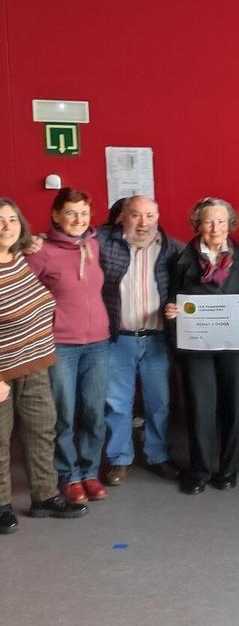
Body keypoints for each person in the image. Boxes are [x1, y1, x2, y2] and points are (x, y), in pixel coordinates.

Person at [164, 198, 239, 494]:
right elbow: (171, 299)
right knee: (200, 407)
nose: (215, 228)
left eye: (221, 221)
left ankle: (228, 469)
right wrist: (171, 312)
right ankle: (200, 470)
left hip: (237, 344)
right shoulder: (180, 260)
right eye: (208, 221)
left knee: (235, 406)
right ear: (198, 225)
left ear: (230, 224)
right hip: (197, 346)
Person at [0, 198, 87, 532]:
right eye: (0, 221)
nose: (7, 226)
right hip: (3, 372)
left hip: (35, 362)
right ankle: (1, 505)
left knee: (41, 431)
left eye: (12, 219)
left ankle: (45, 496)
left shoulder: (21, 257)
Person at [25, 189, 111, 505]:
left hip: (98, 343)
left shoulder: (94, 245)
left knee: (94, 412)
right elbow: (21, 290)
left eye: (84, 213)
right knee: (64, 415)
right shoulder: (41, 250)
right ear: (56, 215)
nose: (79, 219)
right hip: (61, 345)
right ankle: (69, 476)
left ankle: (89, 472)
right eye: (72, 213)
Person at [96, 195, 186, 486]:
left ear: (158, 217)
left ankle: (158, 455)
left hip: (157, 338)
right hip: (117, 338)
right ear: (122, 217)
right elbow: (69, 239)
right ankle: (120, 459)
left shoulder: (174, 249)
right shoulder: (101, 241)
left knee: (159, 403)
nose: (143, 222)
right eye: (136, 215)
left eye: (149, 216)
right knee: (118, 403)